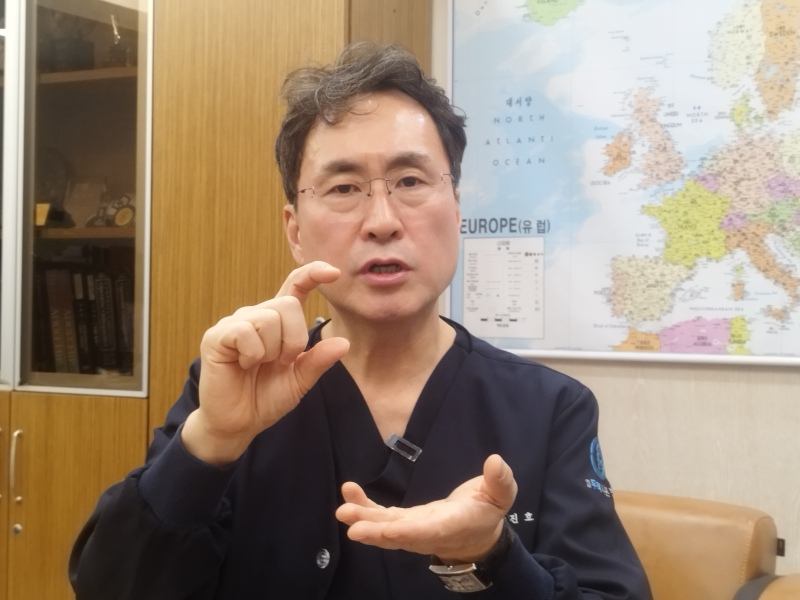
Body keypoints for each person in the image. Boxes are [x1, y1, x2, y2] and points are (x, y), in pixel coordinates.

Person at [70, 43, 652, 599]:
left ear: (457, 207)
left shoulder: (549, 409)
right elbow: (111, 588)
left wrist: (488, 555)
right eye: (344, 187)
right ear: (296, 231)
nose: (382, 221)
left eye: (410, 181)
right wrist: (211, 443)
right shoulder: (234, 388)